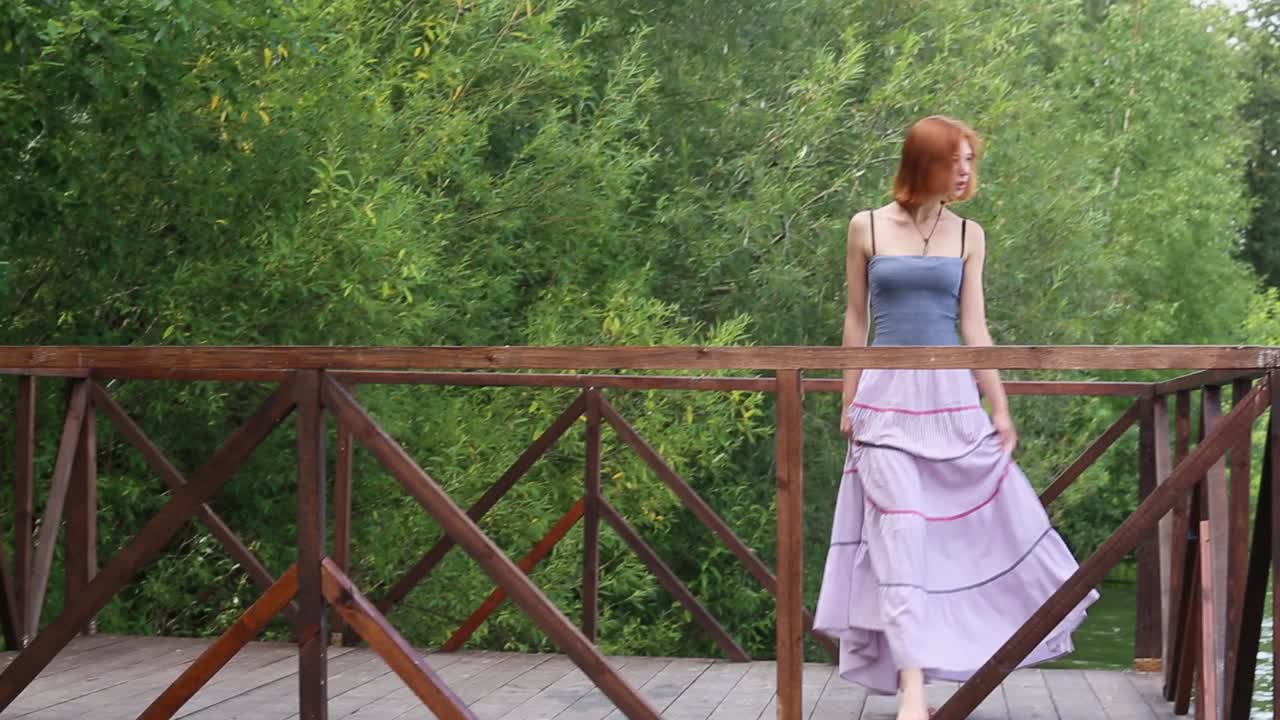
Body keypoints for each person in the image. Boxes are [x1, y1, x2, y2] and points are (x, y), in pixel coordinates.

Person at [812, 116, 1098, 720]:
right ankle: (912, 686)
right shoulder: (865, 226)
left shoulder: (970, 234)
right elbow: (856, 319)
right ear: (925, 162)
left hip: (950, 401)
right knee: (901, 536)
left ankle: (1003, 632)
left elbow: (975, 327)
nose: (967, 171)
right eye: (956, 160)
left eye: (971, 160)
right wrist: (848, 396)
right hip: (884, 401)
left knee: (990, 522)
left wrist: (999, 404)